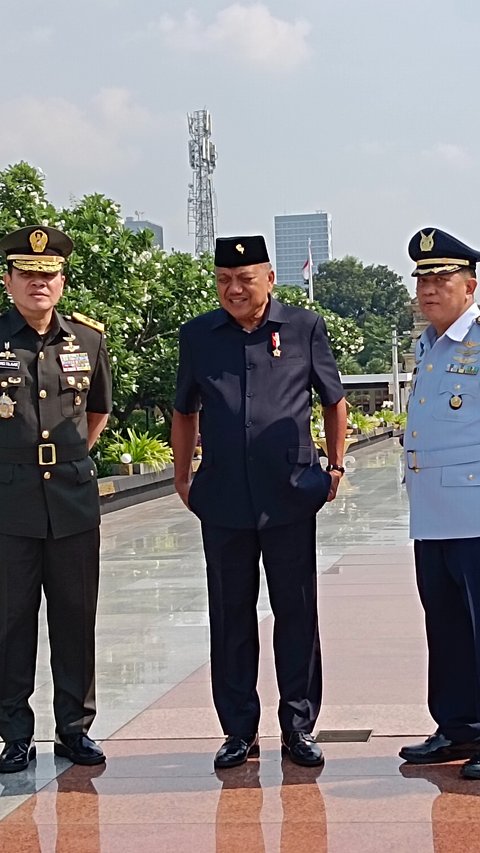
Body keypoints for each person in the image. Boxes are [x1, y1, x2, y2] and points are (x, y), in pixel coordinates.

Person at [172, 235, 346, 768]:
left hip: (290, 494)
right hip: (223, 499)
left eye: (245, 279)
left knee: (296, 612)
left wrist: (333, 466)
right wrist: (183, 477)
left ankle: (298, 727)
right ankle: (238, 731)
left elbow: (334, 400)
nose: (234, 289)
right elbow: (184, 410)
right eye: (224, 280)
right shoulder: (199, 335)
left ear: (270, 278)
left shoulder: (304, 328)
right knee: (230, 615)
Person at [0, 225, 112, 772]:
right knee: (9, 620)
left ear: (62, 282)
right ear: (8, 281)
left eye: (47, 275)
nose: (38, 284)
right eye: (27, 274)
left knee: (74, 616)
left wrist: (64, 460)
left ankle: (74, 729)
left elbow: (97, 414)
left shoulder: (88, 340)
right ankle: (14, 734)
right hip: (9, 502)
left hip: (71, 500)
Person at [399, 227, 480, 779]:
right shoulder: (428, 343)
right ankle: (457, 726)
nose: (430, 288)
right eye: (423, 278)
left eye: (442, 278)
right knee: (446, 626)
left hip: (475, 515)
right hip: (432, 516)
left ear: (470, 287)